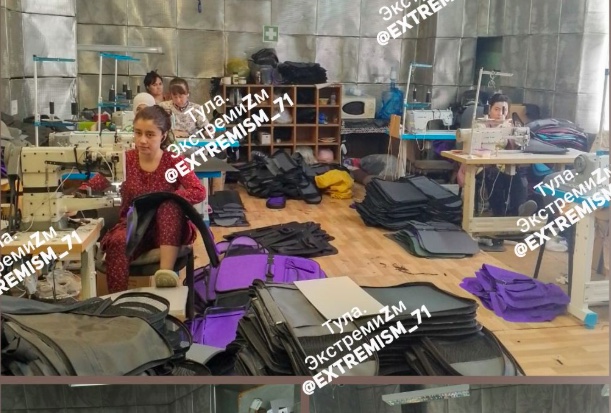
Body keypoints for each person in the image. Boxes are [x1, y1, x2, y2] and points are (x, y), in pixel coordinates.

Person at [78, 106, 206, 293]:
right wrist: (77, 197)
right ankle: (118, 300)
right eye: (138, 133)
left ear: (163, 136)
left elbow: (199, 191)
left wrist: (165, 198)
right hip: (134, 225)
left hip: (167, 227)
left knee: (169, 206)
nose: (142, 140)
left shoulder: (174, 161)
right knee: (118, 242)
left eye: (150, 134)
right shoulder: (124, 160)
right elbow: (95, 183)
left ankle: (165, 276)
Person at [458, 93, 537, 251]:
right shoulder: (479, 126)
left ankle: (517, 213)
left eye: (504, 110)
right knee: (495, 176)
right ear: (490, 109)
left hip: (503, 166)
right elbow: (472, 150)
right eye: (497, 109)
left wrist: (513, 139)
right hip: (481, 167)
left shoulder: (510, 127)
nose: (500, 113)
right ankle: (500, 218)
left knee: (518, 176)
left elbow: (516, 147)